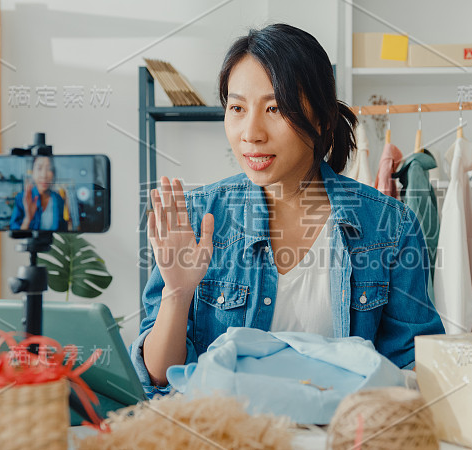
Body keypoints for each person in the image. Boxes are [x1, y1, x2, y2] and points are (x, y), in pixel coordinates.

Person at [131, 23, 444, 395]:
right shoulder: (198, 219)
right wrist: (177, 294)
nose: (251, 133)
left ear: (322, 118)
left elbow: (411, 370)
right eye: (237, 108)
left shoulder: (389, 225)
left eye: (274, 108)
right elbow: (158, 379)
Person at [10, 155, 68, 231]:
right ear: (33, 172)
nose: (44, 175)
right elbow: (15, 233)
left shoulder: (58, 199)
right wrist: (28, 218)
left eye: (49, 169)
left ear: (53, 173)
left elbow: (62, 230)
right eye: (39, 168)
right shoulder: (21, 198)